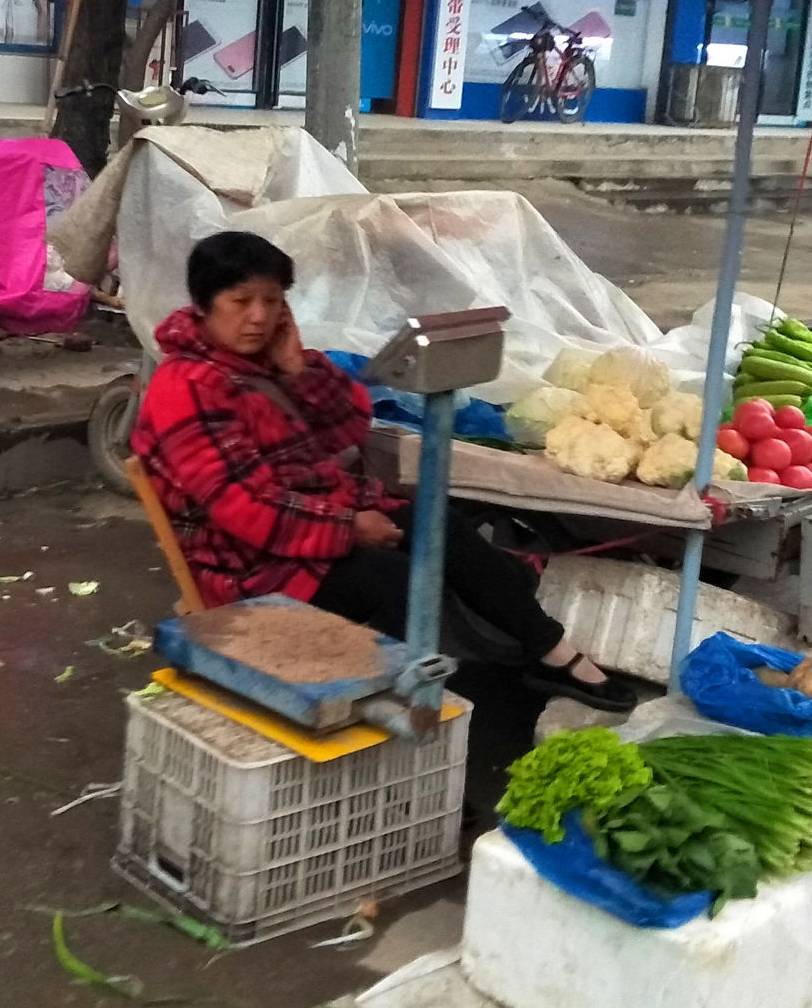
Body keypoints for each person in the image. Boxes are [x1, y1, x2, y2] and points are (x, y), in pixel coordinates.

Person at [130, 230, 636, 713]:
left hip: (308, 524)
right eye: (242, 302)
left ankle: (551, 652)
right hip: (246, 563)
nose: (259, 317)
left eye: (273, 301)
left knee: (438, 528)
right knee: (396, 579)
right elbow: (245, 508)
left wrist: (300, 372)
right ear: (202, 306)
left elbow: (348, 429)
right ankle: (393, 708)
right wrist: (349, 530)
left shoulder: (264, 365)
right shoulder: (189, 387)